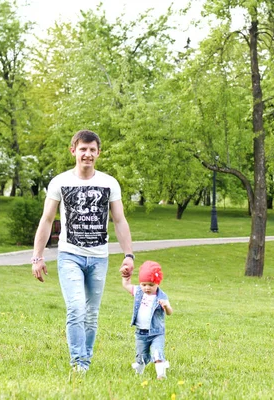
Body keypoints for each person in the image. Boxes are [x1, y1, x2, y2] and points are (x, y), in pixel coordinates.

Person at [31, 129, 135, 376]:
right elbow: (46, 220)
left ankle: (84, 360)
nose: (87, 154)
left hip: (99, 258)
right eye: (82, 149)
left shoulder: (109, 183)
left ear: (98, 152)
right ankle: (79, 362)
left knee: (91, 314)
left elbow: (119, 221)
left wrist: (129, 255)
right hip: (70, 256)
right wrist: (37, 256)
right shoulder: (60, 182)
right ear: (73, 151)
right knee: (76, 308)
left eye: (92, 150)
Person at [122, 260, 173, 380]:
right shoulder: (139, 292)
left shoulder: (161, 296)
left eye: (151, 285)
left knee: (157, 353)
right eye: (143, 284)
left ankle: (161, 375)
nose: (147, 288)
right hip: (141, 333)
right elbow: (126, 285)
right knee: (141, 356)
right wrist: (125, 275)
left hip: (156, 333)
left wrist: (166, 306)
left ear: (157, 283)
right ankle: (138, 374)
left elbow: (170, 312)